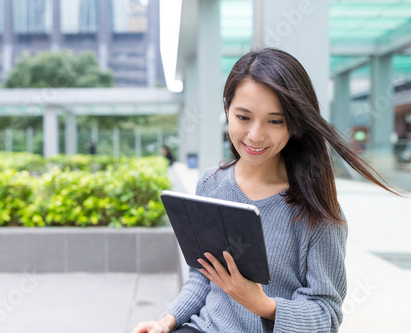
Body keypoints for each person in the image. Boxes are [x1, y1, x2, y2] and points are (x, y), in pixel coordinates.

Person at [132, 48, 399, 333]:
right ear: (227, 111)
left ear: (294, 124)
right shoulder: (210, 184)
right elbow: (202, 277)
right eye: (243, 117)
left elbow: (326, 316)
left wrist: (261, 304)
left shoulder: (317, 209)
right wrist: (165, 321)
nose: (255, 135)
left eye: (275, 121)